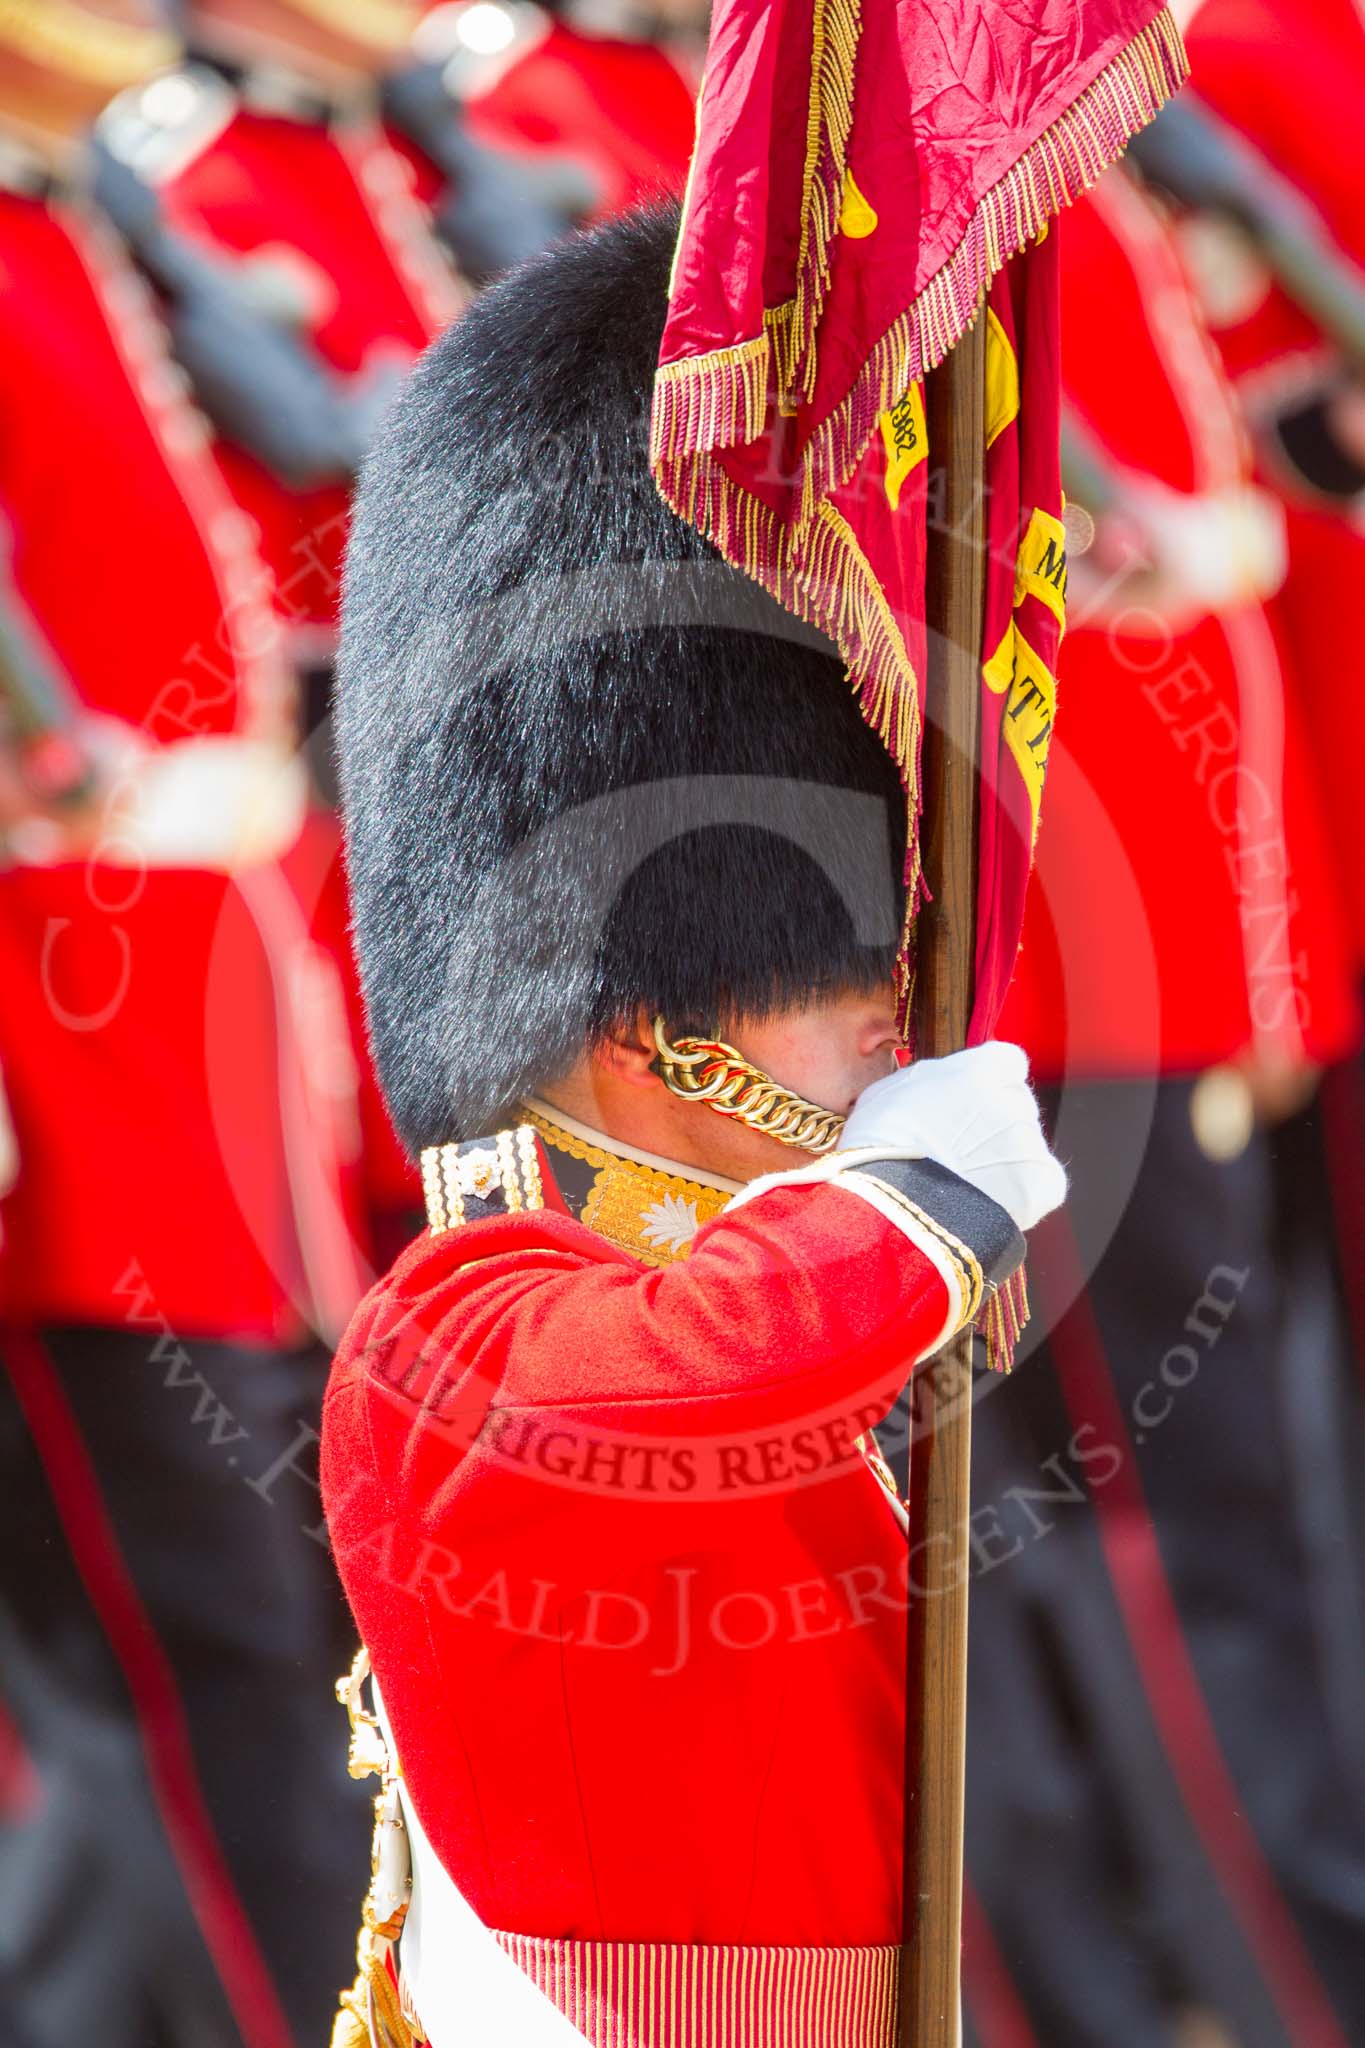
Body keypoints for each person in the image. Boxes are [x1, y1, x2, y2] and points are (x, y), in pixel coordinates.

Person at [319, 203, 1066, 2046]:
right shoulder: (455, 1328)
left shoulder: (728, 1323)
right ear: (660, 1038)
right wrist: (913, 1196)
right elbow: (647, 1390)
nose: (889, 1037)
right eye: (847, 996)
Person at [0, 6, 375, 2043]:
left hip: (205, 1039)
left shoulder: (75, 221)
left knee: (245, 1652)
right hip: (72, 1070)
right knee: (197, 1673)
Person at [965, 166, 1365, 2047]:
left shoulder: (1074, 174)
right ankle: (1277, 1978)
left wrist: (1262, 969)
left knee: (1216, 1530)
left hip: (1161, 965)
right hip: (1063, 971)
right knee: (1172, 1541)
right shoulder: (938, 184)